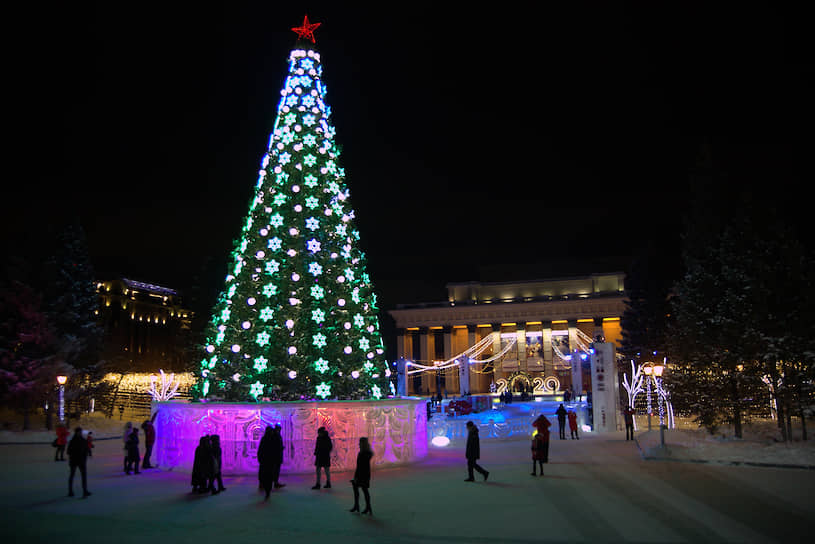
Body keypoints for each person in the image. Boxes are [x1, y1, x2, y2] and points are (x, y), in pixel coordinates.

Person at [349, 437, 374, 515]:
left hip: (361, 474)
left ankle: (359, 506)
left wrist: (356, 477)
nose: (358, 444)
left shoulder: (363, 453)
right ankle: (367, 507)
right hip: (365, 474)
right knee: (364, 490)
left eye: (360, 442)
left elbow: (360, 466)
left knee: (361, 489)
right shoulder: (367, 453)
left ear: (363, 443)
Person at [67, 427, 91, 497]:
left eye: (80, 432)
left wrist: (85, 456)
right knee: (72, 475)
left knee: (83, 476)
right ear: (76, 432)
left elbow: (86, 450)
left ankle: (84, 490)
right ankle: (71, 491)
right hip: (75, 460)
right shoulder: (73, 441)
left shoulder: (82, 440)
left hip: (80, 461)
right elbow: (69, 451)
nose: (80, 433)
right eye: (79, 432)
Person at [257, 427, 276, 500]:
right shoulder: (272, 439)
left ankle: (264, 486)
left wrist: (260, 458)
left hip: (264, 460)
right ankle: (268, 490)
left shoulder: (264, 439)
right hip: (270, 461)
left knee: (264, 474)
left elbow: (260, 449)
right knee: (269, 475)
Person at [269, 425, 286, 490]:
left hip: (276, 455)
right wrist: (281, 448)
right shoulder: (276, 436)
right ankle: (275, 482)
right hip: (276, 456)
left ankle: (274, 482)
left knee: (275, 469)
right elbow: (276, 446)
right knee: (275, 470)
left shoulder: (274, 435)